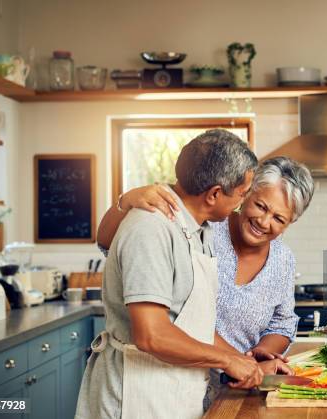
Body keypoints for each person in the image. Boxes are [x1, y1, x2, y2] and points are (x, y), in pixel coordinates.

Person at [75, 129, 263, 419]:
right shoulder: (151, 229)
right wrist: (226, 361)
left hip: (172, 390)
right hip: (136, 395)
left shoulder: (199, 229)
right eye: (241, 194)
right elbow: (152, 335)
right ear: (214, 194)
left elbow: (189, 324)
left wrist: (244, 360)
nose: (242, 202)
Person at [96, 156, 315, 405]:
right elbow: (108, 243)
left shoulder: (283, 259)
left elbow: (282, 323)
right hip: (173, 379)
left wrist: (257, 358)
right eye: (261, 206)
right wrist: (125, 201)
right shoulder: (206, 227)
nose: (264, 222)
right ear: (246, 194)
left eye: (279, 219)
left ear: (290, 223)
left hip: (241, 387)